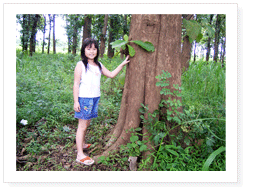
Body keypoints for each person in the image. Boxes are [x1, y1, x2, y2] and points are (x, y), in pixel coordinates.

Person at [73, 38, 130, 165]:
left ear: (97, 50)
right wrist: (76, 101)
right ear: (84, 50)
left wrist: (122, 64)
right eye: (89, 49)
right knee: (82, 126)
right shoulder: (80, 65)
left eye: (94, 48)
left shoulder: (99, 65)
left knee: (87, 123)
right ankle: (79, 154)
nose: (92, 51)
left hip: (94, 98)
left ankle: (82, 143)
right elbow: (76, 84)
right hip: (84, 99)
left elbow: (111, 74)